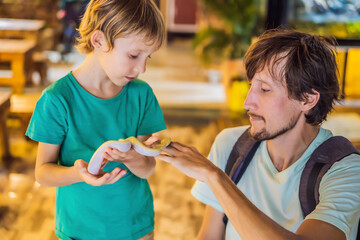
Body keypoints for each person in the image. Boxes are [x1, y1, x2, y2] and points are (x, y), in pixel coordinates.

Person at [157, 29, 360, 240]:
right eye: (250, 85)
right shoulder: (231, 145)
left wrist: (215, 177)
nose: (247, 103)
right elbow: (209, 236)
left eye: (264, 89)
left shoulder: (345, 170)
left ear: (307, 100)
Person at [26, 0, 165, 239]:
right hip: (78, 229)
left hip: (136, 227)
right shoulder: (57, 99)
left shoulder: (142, 95)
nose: (141, 67)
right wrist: (78, 173)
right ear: (99, 40)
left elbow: (148, 169)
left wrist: (134, 159)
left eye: (147, 57)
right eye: (133, 55)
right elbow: (43, 173)